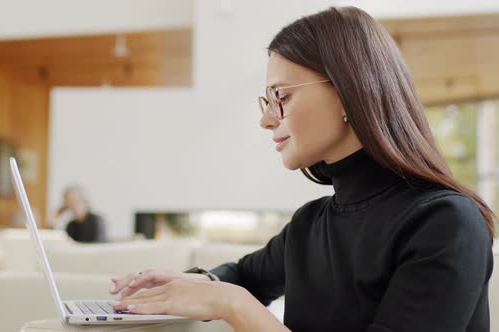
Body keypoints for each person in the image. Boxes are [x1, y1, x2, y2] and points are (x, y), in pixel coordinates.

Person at [109, 6, 495, 332]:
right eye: (267, 101)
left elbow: (238, 295)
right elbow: (245, 275)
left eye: (281, 97)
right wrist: (192, 283)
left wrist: (234, 305)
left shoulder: (445, 222)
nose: (266, 121)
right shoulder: (311, 223)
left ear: (347, 92)